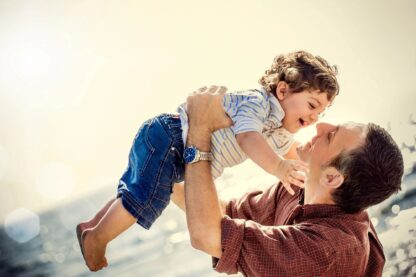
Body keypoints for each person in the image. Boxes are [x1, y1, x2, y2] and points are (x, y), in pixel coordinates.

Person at [76, 51, 339, 271]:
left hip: (175, 148)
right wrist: (279, 168)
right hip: (171, 138)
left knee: (141, 189)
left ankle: (94, 226)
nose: (316, 117)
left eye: (322, 111)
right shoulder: (258, 103)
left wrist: (313, 177)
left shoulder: (279, 132)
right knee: (149, 198)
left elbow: (293, 156)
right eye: (312, 105)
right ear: (282, 90)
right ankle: (97, 238)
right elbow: (248, 137)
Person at [172, 86, 404, 276]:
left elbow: (210, 236)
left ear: (332, 178)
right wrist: (159, 174)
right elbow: (226, 214)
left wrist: (199, 130)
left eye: (332, 135)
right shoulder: (299, 188)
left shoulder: (325, 252)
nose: (321, 125)